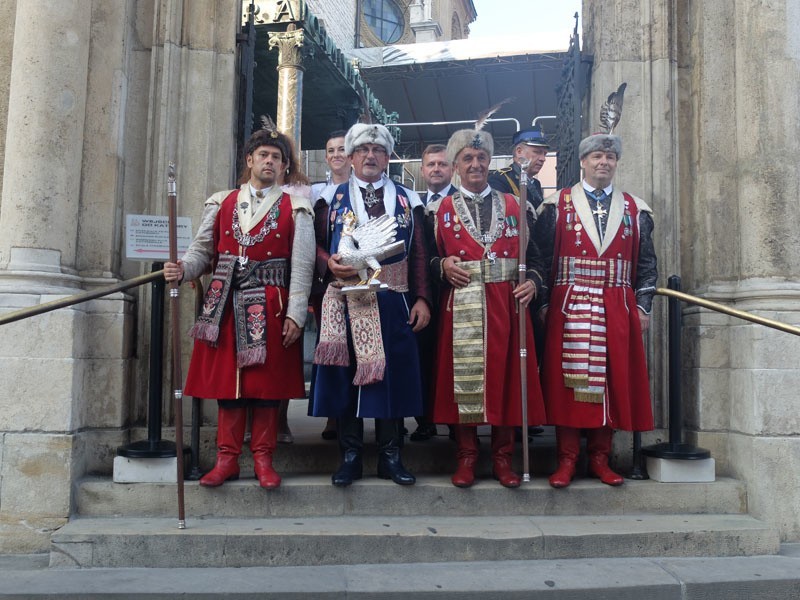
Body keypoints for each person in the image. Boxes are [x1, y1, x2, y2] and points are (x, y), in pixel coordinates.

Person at [163, 126, 314, 489]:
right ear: (249, 160)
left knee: (265, 389)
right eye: (263, 155)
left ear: (284, 166)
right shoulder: (221, 201)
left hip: (272, 304)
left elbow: (303, 264)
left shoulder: (298, 207)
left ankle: (264, 459)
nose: (269, 162)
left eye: (276, 158)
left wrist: (295, 311)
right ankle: (226, 460)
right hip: (226, 305)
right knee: (228, 388)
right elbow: (203, 252)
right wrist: (183, 269)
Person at [311, 123, 432, 487]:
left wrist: (423, 298)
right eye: (362, 149)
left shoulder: (409, 200)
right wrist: (327, 262)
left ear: (388, 157)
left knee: (390, 381)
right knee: (350, 380)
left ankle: (390, 457)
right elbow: (313, 246)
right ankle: (350, 456)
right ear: (349, 157)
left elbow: (421, 253)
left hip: (394, 301)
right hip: (347, 301)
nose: (370, 156)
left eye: (377, 150)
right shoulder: (329, 200)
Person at [425, 127, 547, 488]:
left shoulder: (515, 204)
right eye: (467, 159)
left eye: (481, 158)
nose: (475, 164)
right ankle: (466, 457)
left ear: (489, 162)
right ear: (455, 165)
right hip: (460, 304)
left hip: (507, 306)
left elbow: (537, 257)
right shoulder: (438, 210)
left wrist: (534, 283)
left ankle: (503, 458)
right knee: (462, 385)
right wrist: (442, 266)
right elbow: (425, 260)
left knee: (507, 382)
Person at [534, 131, 657, 488]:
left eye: (610, 157)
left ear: (616, 163)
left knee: (611, 382)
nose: (604, 162)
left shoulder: (637, 209)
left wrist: (643, 306)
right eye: (596, 157)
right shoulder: (557, 205)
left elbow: (648, 264)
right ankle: (567, 461)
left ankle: (600, 460)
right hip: (569, 306)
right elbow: (540, 258)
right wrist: (543, 303)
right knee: (567, 384)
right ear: (584, 162)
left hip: (617, 305)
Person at [409, 144, 459, 442]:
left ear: (451, 168)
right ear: (423, 170)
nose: (436, 169)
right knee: (424, 356)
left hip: (458, 290)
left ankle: (456, 423)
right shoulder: (415, 204)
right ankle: (425, 420)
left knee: (455, 358)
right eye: (431, 165)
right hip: (425, 292)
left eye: (442, 164)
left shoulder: (463, 202)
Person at [310, 130, 353, 441]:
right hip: (331, 285)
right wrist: (328, 263)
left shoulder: (374, 190)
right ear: (326, 157)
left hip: (367, 284)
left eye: (342, 149)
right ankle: (333, 417)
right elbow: (313, 241)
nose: (336, 154)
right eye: (331, 150)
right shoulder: (319, 196)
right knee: (331, 352)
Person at [488, 126, 549, 210]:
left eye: (545, 154)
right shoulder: (499, 179)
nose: (543, 159)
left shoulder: (536, 183)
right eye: (537, 152)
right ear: (519, 151)